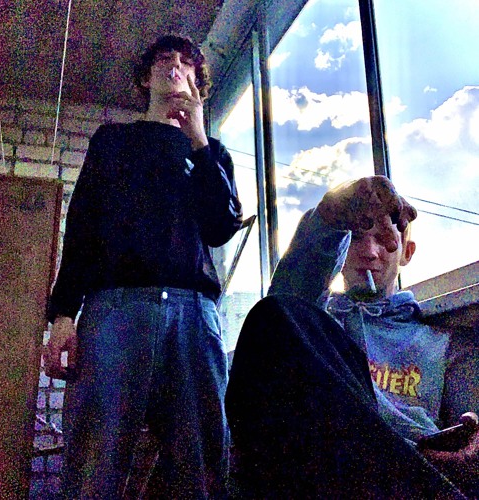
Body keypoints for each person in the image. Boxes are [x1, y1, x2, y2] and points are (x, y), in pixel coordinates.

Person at [45, 35, 243, 499]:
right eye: (164, 59)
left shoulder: (212, 153)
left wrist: (198, 141)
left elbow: (221, 227)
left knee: (200, 466)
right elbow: (83, 227)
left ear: (197, 82)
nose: (175, 67)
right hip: (115, 309)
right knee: (96, 462)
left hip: (195, 315)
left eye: (186, 63)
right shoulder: (112, 140)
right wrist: (62, 314)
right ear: (146, 77)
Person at [225, 175, 478, 498]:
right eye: (357, 238)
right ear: (341, 247)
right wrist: (330, 217)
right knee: (274, 316)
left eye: (385, 241)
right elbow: (286, 305)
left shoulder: (442, 345)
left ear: (407, 253)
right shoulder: (311, 334)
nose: (370, 252)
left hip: (407, 477)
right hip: (320, 469)